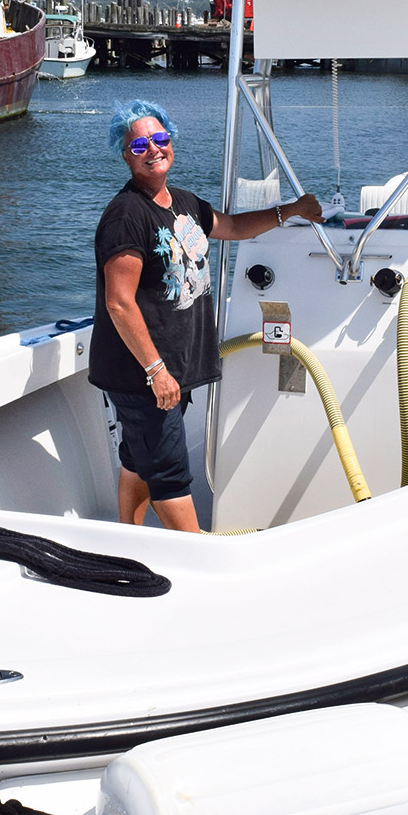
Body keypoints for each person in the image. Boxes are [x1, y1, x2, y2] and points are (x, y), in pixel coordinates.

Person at [88, 100, 323, 532]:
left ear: (171, 142)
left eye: (160, 139)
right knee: (170, 477)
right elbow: (119, 303)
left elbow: (232, 227)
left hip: (173, 367)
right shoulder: (126, 216)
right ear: (125, 154)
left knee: (138, 460)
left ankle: (127, 538)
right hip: (141, 373)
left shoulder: (183, 203)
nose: (153, 149)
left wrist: (290, 210)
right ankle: (200, 568)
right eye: (139, 143)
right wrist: (156, 371)